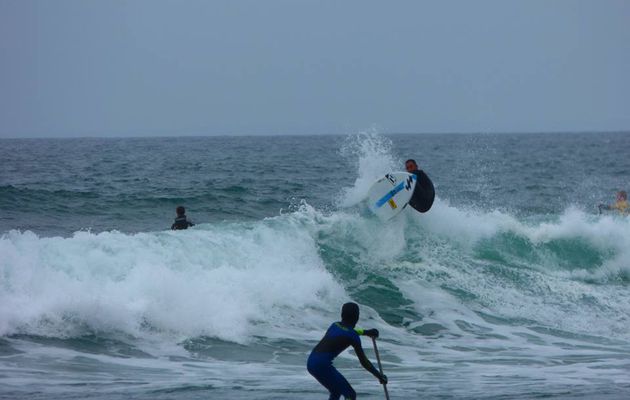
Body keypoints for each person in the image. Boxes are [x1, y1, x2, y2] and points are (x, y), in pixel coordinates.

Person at [307, 302, 387, 400]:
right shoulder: (353, 336)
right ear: (357, 317)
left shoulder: (335, 325)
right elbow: (364, 362)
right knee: (350, 395)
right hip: (322, 366)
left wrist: (367, 332)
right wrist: (379, 375)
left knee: (336, 391)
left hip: (311, 361)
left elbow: (347, 331)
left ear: (342, 315)